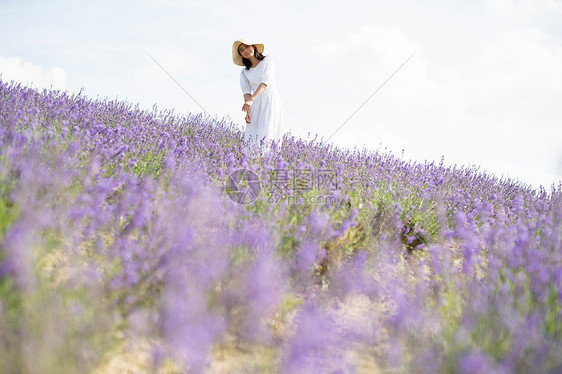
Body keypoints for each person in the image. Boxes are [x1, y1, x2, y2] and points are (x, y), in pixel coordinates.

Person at [232, 38, 283, 154]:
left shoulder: (267, 61)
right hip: (254, 102)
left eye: (247, 46)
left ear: (253, 47)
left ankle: (269, 162)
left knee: (267, 130)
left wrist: (251, 99)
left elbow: (265, 83)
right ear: (241, 54)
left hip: (269, 99)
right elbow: (246, 92)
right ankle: (252, 163)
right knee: (252, 133)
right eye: (241, 50)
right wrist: (248, 111)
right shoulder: (245, 72)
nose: (245, 50)